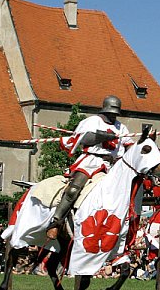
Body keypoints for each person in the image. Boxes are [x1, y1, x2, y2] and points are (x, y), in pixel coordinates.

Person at [47, 95, 133, 239]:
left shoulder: (121, 127)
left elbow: (129, 145)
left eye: (115, 114)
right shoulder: (92, 122)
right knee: (74, 189)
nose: (113, 117)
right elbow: (82, 139)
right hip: (91, 161)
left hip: (112, 165)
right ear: (105, 110)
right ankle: (56, 222)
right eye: (111, 114)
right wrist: (104, 136)